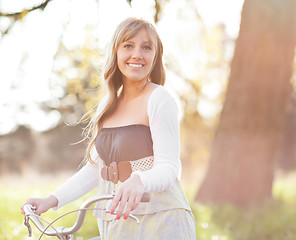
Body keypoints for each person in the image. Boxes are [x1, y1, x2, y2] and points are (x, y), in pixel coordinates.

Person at [21, 17, 196, 239]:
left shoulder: (159, 98)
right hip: (119, 223)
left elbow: (169, 167)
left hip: (162, 220)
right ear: (115, 52)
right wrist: (51, 200)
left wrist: (139, 179)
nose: (137, 55)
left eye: (146, 47)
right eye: (128, 46)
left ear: (155, 56)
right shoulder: (108, 106)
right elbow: (96, 169)